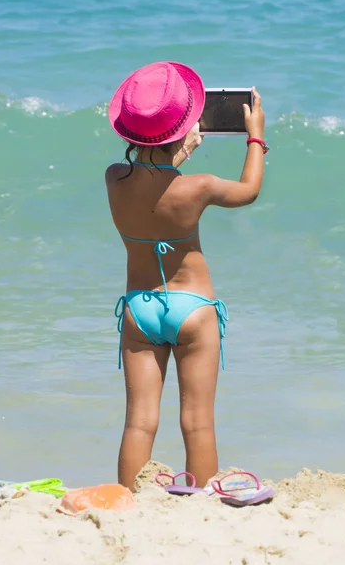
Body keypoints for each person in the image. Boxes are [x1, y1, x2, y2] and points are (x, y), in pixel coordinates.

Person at [106, 61, 266, 492]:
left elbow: (151, 181)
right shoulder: (198, 186)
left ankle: (129, 499)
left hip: (140, 310)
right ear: (186, 132)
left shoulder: (114, 178)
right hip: (193, 310)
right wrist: (255, 136)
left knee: (139, 422)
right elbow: (249, 190)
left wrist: (173, 149)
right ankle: (198, 500)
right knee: (197, 423)